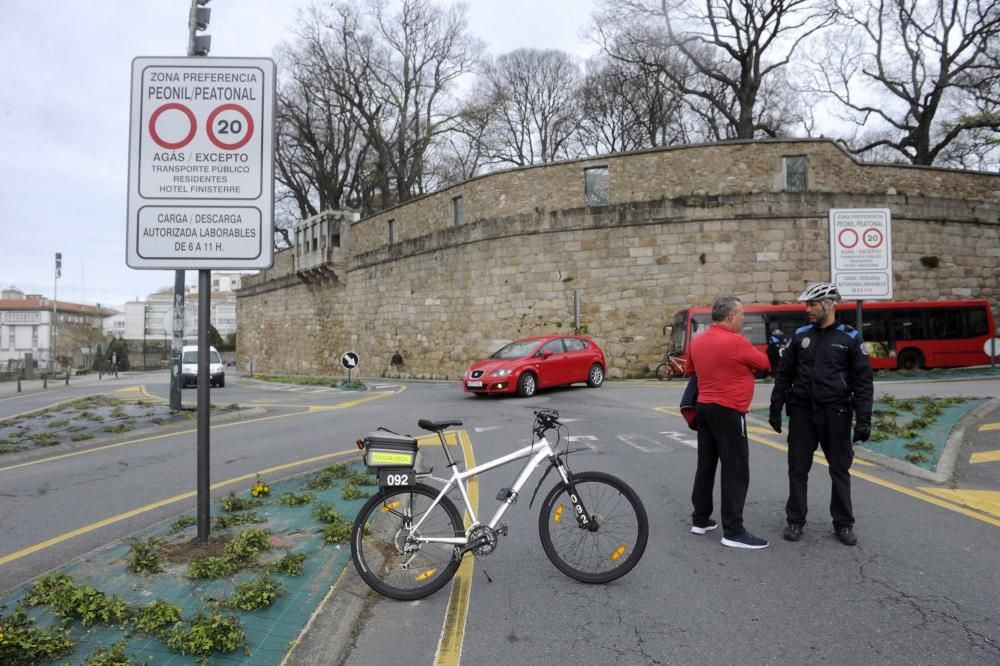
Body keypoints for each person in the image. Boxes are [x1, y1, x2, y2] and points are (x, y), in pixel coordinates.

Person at [768, 282, 874, 546]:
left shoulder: (850, 338)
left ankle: (843, 524)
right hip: (803, 412)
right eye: (807, 304)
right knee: (797, 470)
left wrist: (864, 419)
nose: (808, 310)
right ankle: (795, 521)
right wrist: (775, 406)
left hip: (835, 412)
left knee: (839, 470)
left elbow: (863, 382)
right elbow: (784, 374)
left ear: (829, 304)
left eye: (813, 304)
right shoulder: (801, 334)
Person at [688, 296, 772, 549]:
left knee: (706, 465)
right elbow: (765, 364)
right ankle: (733, 531)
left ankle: (700, 519)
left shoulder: (697, 341)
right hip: (729, 410)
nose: (744, 318)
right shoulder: (737, 342)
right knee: (735, 470)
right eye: (742, 314)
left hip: (704, 408)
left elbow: (692, 369)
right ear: (730, 317)